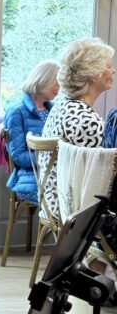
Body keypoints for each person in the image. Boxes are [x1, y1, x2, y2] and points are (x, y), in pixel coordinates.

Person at [40, 37, 115, 221]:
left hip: (54, 199)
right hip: (72, 208)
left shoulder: (63, 105)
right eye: (107, 66)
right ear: (93, 74)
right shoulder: (85, 120)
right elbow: (103, 179)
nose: (113, 70)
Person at [3, 60, 60, 205]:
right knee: (66, 196)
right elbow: (19, 156)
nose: (59, 88)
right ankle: (55, 228)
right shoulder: (16, 112)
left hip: (52, 173)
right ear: (44, 81)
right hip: (29, 176)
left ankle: (57, 227)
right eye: (57, 83)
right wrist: (50, 159)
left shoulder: (53, 110)